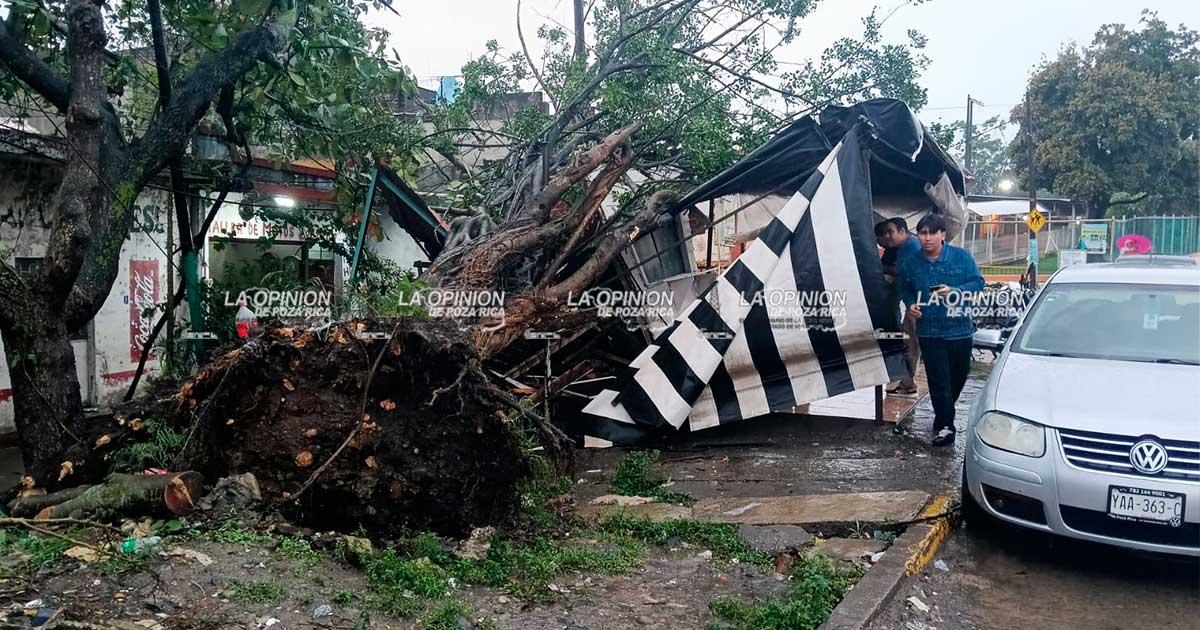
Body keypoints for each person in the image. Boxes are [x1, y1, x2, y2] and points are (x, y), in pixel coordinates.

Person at [898, 214, 984, 446]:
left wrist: (955, 291)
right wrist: (911, 305)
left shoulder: (961, 258)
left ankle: (944, 412)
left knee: (958, 377)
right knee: (938, 380)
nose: (927, 238)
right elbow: (905, 288)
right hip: (929, 331)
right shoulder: (912, 263)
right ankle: (946, 425)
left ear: (942, 234)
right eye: (922, 233)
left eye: (932, 233)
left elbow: (978, 283)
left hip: (960, 329)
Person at [876, 217, 921, 397]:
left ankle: (908, 383)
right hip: (912, 303)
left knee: (913, 343)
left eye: (890, 232)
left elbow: (910, 275)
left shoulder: (912, 247)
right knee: (910, 342)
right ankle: (907, 382)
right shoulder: (902, 247)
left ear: (903, 231)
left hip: (917, 304)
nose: (888, 236)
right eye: (885, 233)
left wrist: (889, 276)